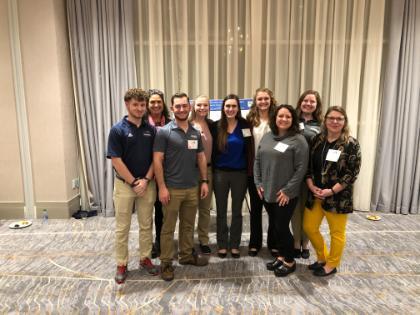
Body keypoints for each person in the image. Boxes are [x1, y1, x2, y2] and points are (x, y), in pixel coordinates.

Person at [154, 92, 209, 281]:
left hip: (192, 188)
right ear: (172, 108)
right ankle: (166, 262)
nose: (181, 109)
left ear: (189, 106)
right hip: (171, 189)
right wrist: (161, 187)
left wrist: (204, 181)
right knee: (168, 228)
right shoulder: (164, 132)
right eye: (177, 106)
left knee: (188, 225)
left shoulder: (195, 132)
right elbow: (157, 160)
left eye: (185, 105)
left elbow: (201, 157)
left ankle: (186, 256)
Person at [107, 88, 159, 284]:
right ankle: (122, 263)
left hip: (147, 184)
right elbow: (116, 159)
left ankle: (145, 258)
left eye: (142, 105)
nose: (139, 108)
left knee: (147, 225)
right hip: (124, 185)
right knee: (123, 227)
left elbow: (156, 158)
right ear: (127, 104)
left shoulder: (151, 130)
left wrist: (145, 180)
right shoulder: (117, 130)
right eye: (135, 104)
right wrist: (133, 182)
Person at [303, 106, 361, 277]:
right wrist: (311, 185)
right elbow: (308, 166)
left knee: (336, 233)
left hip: (338, 197)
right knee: (309, 227)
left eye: (339, 119)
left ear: (344, 122)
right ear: (325, 120)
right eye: (331, 118)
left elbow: (351, 173)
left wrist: (330, 191)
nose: (335, 122)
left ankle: (332, 264)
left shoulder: (351, 144)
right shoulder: (316, 140)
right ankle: (322, 258)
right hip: (315, 194)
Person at [255, 104, 308, 277]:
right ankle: (281, 255)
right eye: (280, 116)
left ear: (293, 119)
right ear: (274, 118)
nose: (283, 119)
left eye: (287, 116)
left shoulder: (298, 140)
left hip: (285, 194)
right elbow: (257, 160)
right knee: (276, 226)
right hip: (267, 191)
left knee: (282, 226)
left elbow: (301, 168)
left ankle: (290, 261)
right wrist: (258, 183)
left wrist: (288, 190)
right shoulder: (268, 137)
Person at [210, 94, 254, 259]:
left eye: (233, 106)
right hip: (220, 173)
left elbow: (249, 149)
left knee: (237, 211)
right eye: (227, 106)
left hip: (240, 174)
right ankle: (222, 244)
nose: (230, 109)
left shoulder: (245, 125)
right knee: (221, 211)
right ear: (223, 108)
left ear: (238, 108)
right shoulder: (216, 127)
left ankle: (234, 244)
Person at [291, 90, 323, 259]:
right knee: (296, 209)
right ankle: (296, 242)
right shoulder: (292, 120)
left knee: (309, 210)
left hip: (314, 174)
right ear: (300, 102)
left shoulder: (322, 123)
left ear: (317, 105)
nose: (308, 104)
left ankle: (305, 243)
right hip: (294, 172)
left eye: (312, 102)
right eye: (305, 100)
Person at [246, 88, 278, 257]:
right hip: (254, 170)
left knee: (272, 209)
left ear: (271, 100)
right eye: (260, 99)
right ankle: (255, 243)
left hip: (273, 171)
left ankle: (273, 242)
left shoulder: (277, 118)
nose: (263, 102)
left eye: (266, 98)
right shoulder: (250, 119)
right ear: (255, 101)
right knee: (256, 209)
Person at [146, 89, 171, 259]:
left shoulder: (170, 123)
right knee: (147, 213)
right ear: (148, 105)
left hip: (166, 175)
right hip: (147, 176)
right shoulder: (141, 123)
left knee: (162, 212)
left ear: (163, 104)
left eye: (158, 102)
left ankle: (160, 242)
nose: (155, 105)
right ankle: (147, 245)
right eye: (152, 102)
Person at [190, 95, 213, 255]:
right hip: (190, 171)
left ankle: (203, 240)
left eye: (205, 105)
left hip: (209, 171)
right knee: (190, 209)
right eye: (199, 105)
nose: (202, 108)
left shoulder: (213, 125)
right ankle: (188, 241)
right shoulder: (188, 124)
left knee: (205, 208)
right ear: (194, 106)